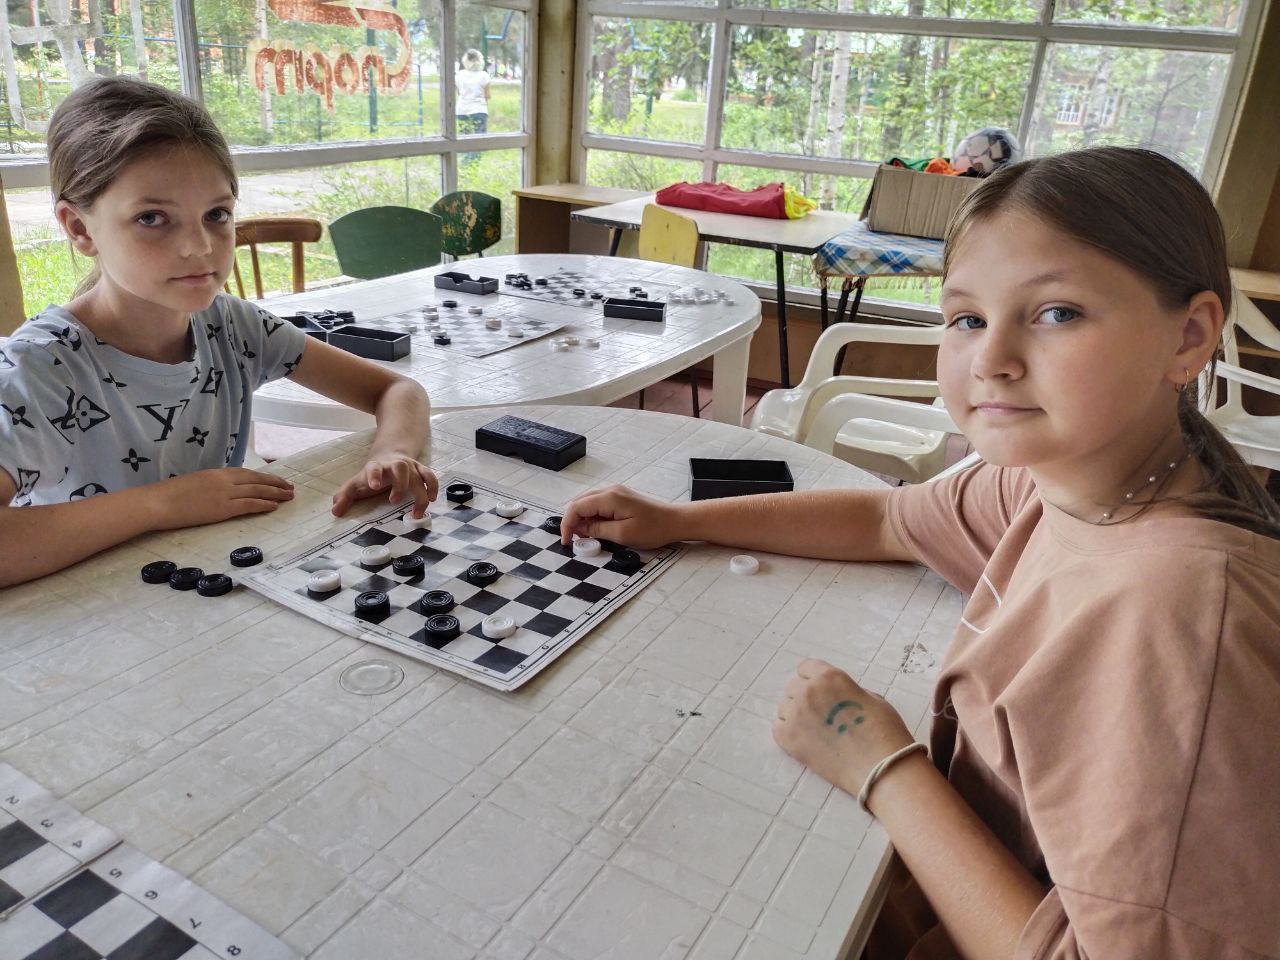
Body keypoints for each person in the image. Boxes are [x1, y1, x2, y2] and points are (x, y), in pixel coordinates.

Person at [559, 147, 1280, 958]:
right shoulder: (1060, 482)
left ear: (1189, 337)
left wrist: (883, 765)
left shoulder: (1180, 616)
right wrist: (678, 519)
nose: (992, 360)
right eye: (966, 319)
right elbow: (888, 519)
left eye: (1057, 313)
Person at [0, 77, 437, 589]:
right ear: (79, 228)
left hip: (207, 591)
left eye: (217, 214)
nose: (200, 246)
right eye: (152, 218)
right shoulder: (38, 368)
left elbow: (398, 390)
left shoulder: (233, 326)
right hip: (82, 615)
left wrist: (391, 453)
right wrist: (163, 503)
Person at [455, 48, 491, 163]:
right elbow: (487, 95)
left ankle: (464, 164)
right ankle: (469, 164)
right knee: (478, 140)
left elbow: (459, 92)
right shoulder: (484, 75)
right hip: (479, 110)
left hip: (461, 110)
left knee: (464, 139)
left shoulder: (459, 75)